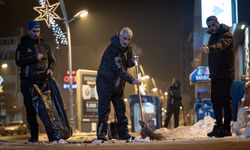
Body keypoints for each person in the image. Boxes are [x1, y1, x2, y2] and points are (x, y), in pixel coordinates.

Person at [15, 20, 62, 143]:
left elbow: (52, 61)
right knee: (30, 111)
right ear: (28, 31)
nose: (36, 33)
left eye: (38, 31)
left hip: (43, 82)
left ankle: (53, 136)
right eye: (34, 31)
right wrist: (34, 58)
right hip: (28, 82)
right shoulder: (23, 45)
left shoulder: (45, 45)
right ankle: (34, 137)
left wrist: (51, 69)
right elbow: (18, 61)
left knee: (48, 109)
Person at [96, 27, 141, 141]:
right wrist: (132, 80)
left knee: (121, 110)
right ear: (119, 36)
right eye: (124, 38)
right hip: (105, 83)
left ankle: (124, 134)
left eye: (129, 39)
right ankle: (101, 134)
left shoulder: (128, 48)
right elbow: (119, 68)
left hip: (118, 85)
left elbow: (126, 63)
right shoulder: (112, 49)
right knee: (104, 109)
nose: (126, 41)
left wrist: (132, 61)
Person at [202, 16, 235, 137]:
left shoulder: (226, 35)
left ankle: (227, 128)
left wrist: (210, 48)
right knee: (215, 101)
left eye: (213, 25)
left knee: (225, 101)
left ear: (218, 23)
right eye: (209, 26)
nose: (212, 28)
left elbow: (221, 45)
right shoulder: (211, 38)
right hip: (215, 75)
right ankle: (219, 126)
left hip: (226, 74)